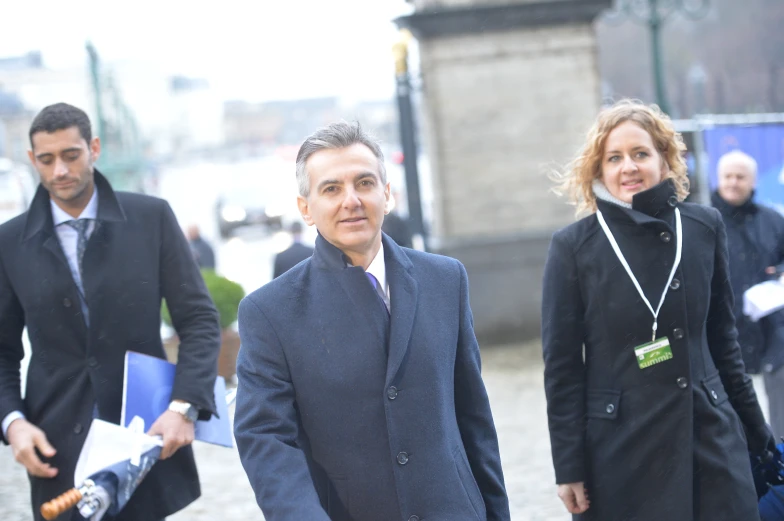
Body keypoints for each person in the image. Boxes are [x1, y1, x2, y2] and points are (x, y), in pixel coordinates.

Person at [233, 121, 510, 521]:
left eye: (364, 183)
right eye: (331, 189)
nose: (351, 200)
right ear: (306, 209)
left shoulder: (446, 280)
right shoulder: (269, 312)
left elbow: (474, 417)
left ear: (387, 194)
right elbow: (266, 440)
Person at [542, 99, 774, 521]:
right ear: (599, 170)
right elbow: (561, 368)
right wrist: (569, 468)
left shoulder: (704, 227)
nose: (628, 166)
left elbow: (725, 343)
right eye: (614, 157)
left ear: (665, 161)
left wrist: (760, 439)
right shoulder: (574, 246)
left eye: (640, 154)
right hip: (620, 452)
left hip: (711, 440)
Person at [0, 103, 221, 521]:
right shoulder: (8, 243)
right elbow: (2, 351)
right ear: (32, 160)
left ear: (94, 148)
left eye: (71, 155)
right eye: (46, 160)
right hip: (55, 447)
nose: (60, 171)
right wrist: (13, 423)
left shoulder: (151, 216)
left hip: (147, 436)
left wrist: (183, 407)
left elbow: (198, 320)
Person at [712, 150, 784, 437]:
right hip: (724, 333)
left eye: (740, 177)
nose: (733, 182)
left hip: (773, 334)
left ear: (753, 181)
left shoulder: (773, 220)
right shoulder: (703, 223)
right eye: (727, 176)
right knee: (731, 414)